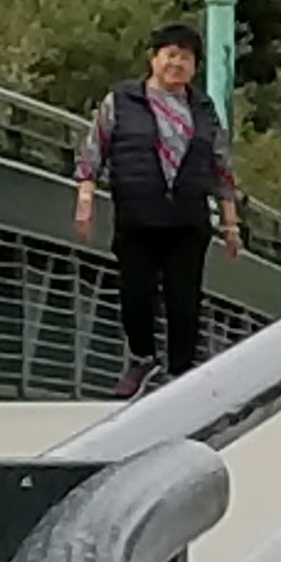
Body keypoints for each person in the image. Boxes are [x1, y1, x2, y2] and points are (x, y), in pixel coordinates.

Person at [69, 22, 246, 397]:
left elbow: (222, 167)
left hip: (186, 218)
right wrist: (85, 198)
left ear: (195, 66)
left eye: (185, 57)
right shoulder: (122, 100)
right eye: (170, 55)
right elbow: (93, 150)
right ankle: (142, 359)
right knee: (135, 292)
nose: (176, 64)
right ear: (154, 59)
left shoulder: (202, 109)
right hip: (137, 214)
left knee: (185, 299)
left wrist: (231, 225)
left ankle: (181, 373)